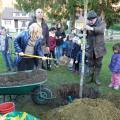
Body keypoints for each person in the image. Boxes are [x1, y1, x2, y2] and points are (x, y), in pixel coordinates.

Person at [84, 10, 107, 85]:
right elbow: (85, 34)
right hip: (90, 49)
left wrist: (90, 28)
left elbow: (101, 30)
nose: (90, 22)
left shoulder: (101, 22)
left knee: (98, 64)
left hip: (99, 49)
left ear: (95, 18)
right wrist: (83, 30)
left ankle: (96, 78)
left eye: (91, 20)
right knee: (90, 64)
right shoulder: (87, 24)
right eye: (89, 20)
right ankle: (90, 78)